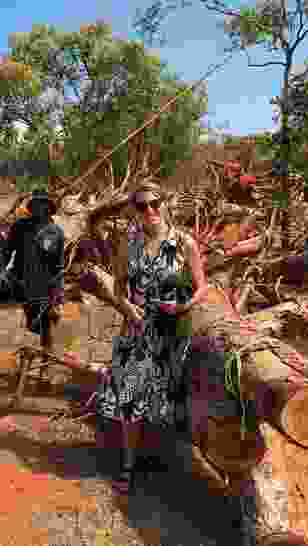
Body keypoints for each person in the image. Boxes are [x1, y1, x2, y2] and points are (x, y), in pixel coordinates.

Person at [95, 180, 208, 493]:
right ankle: (129, 465)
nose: (150, 210)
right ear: (134, 209)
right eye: (142, 205)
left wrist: (184, 305)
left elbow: (202, 287)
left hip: (171, 332)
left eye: (155, 203)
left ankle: (167, 463)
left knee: (169, 398)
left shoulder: (184, 243)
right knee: (130, 400)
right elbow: (117, 286)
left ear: (165, 203)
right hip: (135, 331)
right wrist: (128, 308)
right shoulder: (128, 243)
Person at [0, 189, 65, 351]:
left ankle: (47, 362)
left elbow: (58, 268)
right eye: (36, 204)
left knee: (46, 325)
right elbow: (6, 251)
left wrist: (58, 300)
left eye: (42, 204)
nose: (39, 207)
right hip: (15, 281)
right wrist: (2, 272)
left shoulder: (56, 234)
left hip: (41, 290)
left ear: (48, 207)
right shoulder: (20, 226)